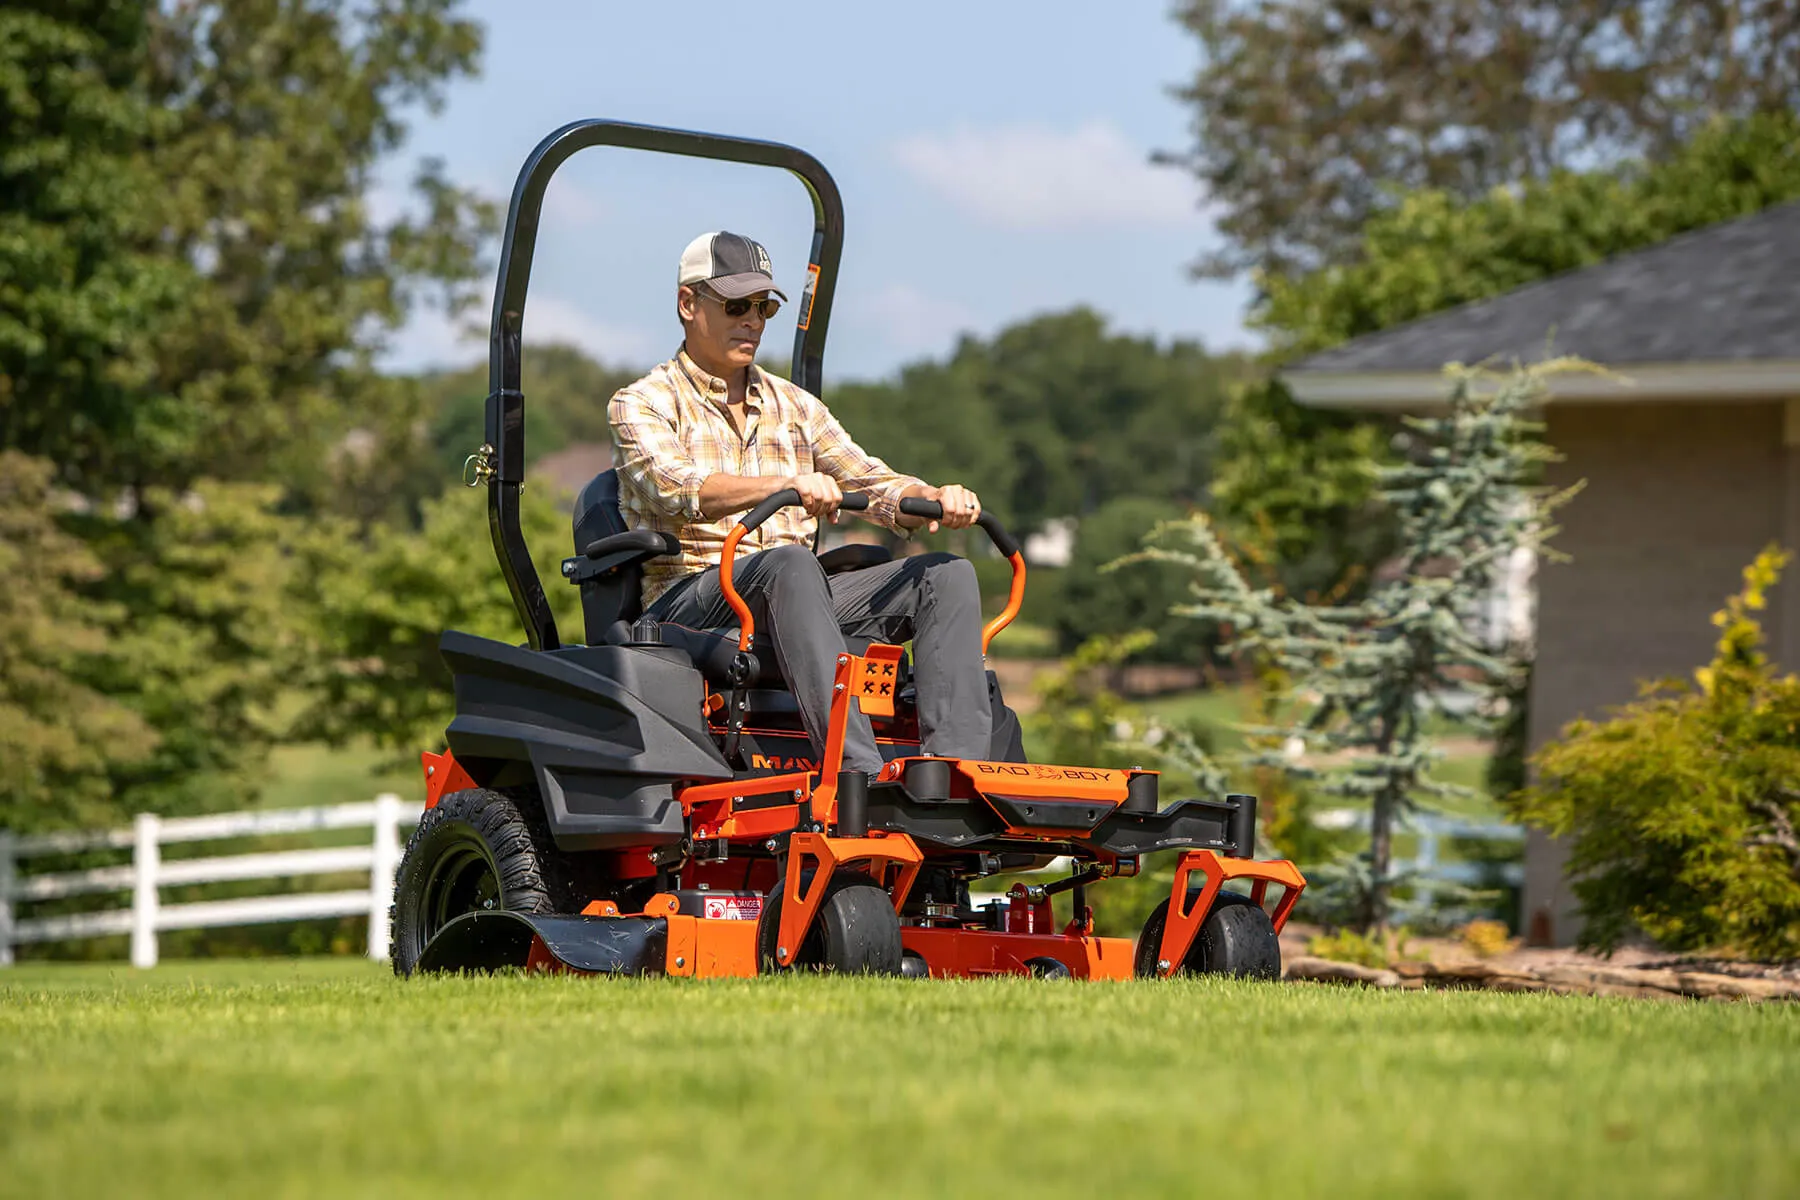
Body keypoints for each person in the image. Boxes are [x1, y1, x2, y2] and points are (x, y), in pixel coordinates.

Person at [608, 230, 992, 777]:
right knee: (789, 563)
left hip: (796, 593)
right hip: (690, 596)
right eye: (736, 305)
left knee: (945, 574)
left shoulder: (797, 406)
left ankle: (958, 774)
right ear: (687, 304)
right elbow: (676, 486)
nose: (754, 321)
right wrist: (783, 484)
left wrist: (932, 497)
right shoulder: (641, 403)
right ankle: (857, 773)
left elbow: (872, 481)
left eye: (764, 307)